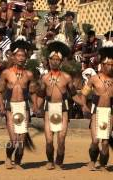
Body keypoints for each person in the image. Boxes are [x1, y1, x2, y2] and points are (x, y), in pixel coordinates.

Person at [37, 40, 89, 169]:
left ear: (60, 62)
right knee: (49, 140)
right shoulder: (44, 78)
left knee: (61, 139)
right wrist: (36, 106)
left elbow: (73, 94)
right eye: (52, 59)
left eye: (57, 60)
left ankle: (59, 160)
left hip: (63, 109)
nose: (54, 61)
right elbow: (40, 95)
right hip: (49, 108)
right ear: (49, 61)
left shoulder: (67, 77)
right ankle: (50, 161)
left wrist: (83, 104)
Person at [0, 38, 35, 169]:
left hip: (24, 108)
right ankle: (8, 158)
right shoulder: (6, 73)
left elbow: (33, 92)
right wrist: (1, 106)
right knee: (14, 139)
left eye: (23, 55)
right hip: (11, 108)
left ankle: (18, 162)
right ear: (13, 57)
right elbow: (0, 91)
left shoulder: (29, 74)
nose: (21, 58)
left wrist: (35, 105)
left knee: (22, 139)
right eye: (18, 55)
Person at [81, 41, 113, 171]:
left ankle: (104, 164)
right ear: (102, 65)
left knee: (105, 142)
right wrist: (84, 105)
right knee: (95, 141)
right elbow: (83, 94)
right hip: (96, 113)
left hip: (110, 113)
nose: (111, 67)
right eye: (108, 64)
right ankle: (92, 161)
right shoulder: (94, 79)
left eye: (112, 64)